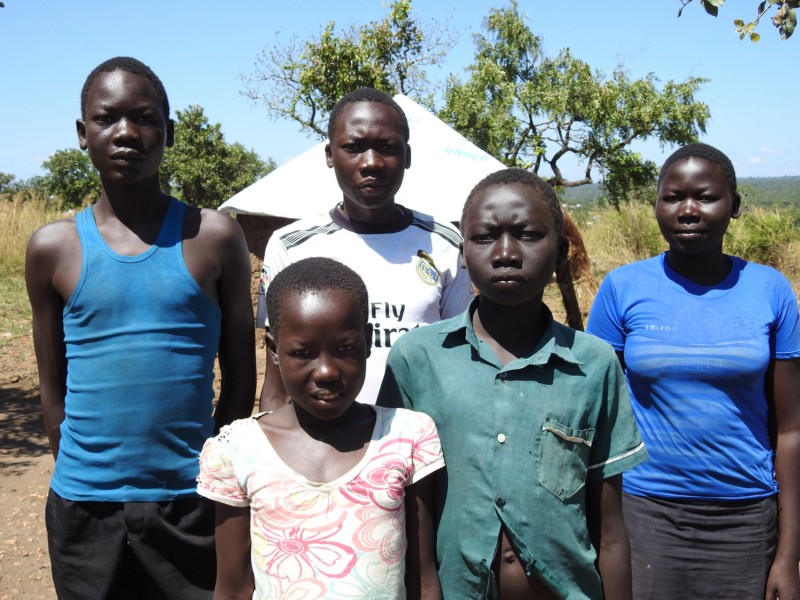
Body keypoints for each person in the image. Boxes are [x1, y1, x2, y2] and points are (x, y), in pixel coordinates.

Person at [25, 56, 256, 600]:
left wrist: (207, 462)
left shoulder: (215, 237)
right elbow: (51, 385)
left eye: (145, 118)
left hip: (189, 501)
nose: (127, 132)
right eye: (107, 119)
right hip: (84, 506)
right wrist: (84, 467)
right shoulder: (52, 248)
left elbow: (241, 377)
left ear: (168, 132)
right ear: (83, 135)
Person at [378, 168, 647, 600]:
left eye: (527, 235)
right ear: (463, 253)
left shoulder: (594, 363)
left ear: (560, 251)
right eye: (485, 237)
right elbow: (405, 510)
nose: (505, 252)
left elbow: (610, 528)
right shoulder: (417, 358)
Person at [586, 143, 800, 600]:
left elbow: (791, 429)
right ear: (657, 205)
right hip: (645, 514)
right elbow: (596, 415)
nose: (687, 210)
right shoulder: (622, 288)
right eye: (672, 197)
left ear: (735, 206)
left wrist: (788, 553)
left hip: (746, 516)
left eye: (704, 197)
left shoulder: (770, 290)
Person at [198, 257, 444, 599]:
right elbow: (233, 586)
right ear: (272, 349)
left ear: (368, 340)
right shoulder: (237, 451)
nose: (327, 370)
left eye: (345, 349)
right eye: (303, 352)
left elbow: (423, 578)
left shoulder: (407, 436)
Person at [256, 87, 472, 410]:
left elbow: (461, 362)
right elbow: (276, 382)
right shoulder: (290, 246)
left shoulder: (443, 241)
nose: (372, 163)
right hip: (320, 450)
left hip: (421, 444)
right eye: (354, 147)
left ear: (407, 156)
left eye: (387, 147)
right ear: (330, 154)